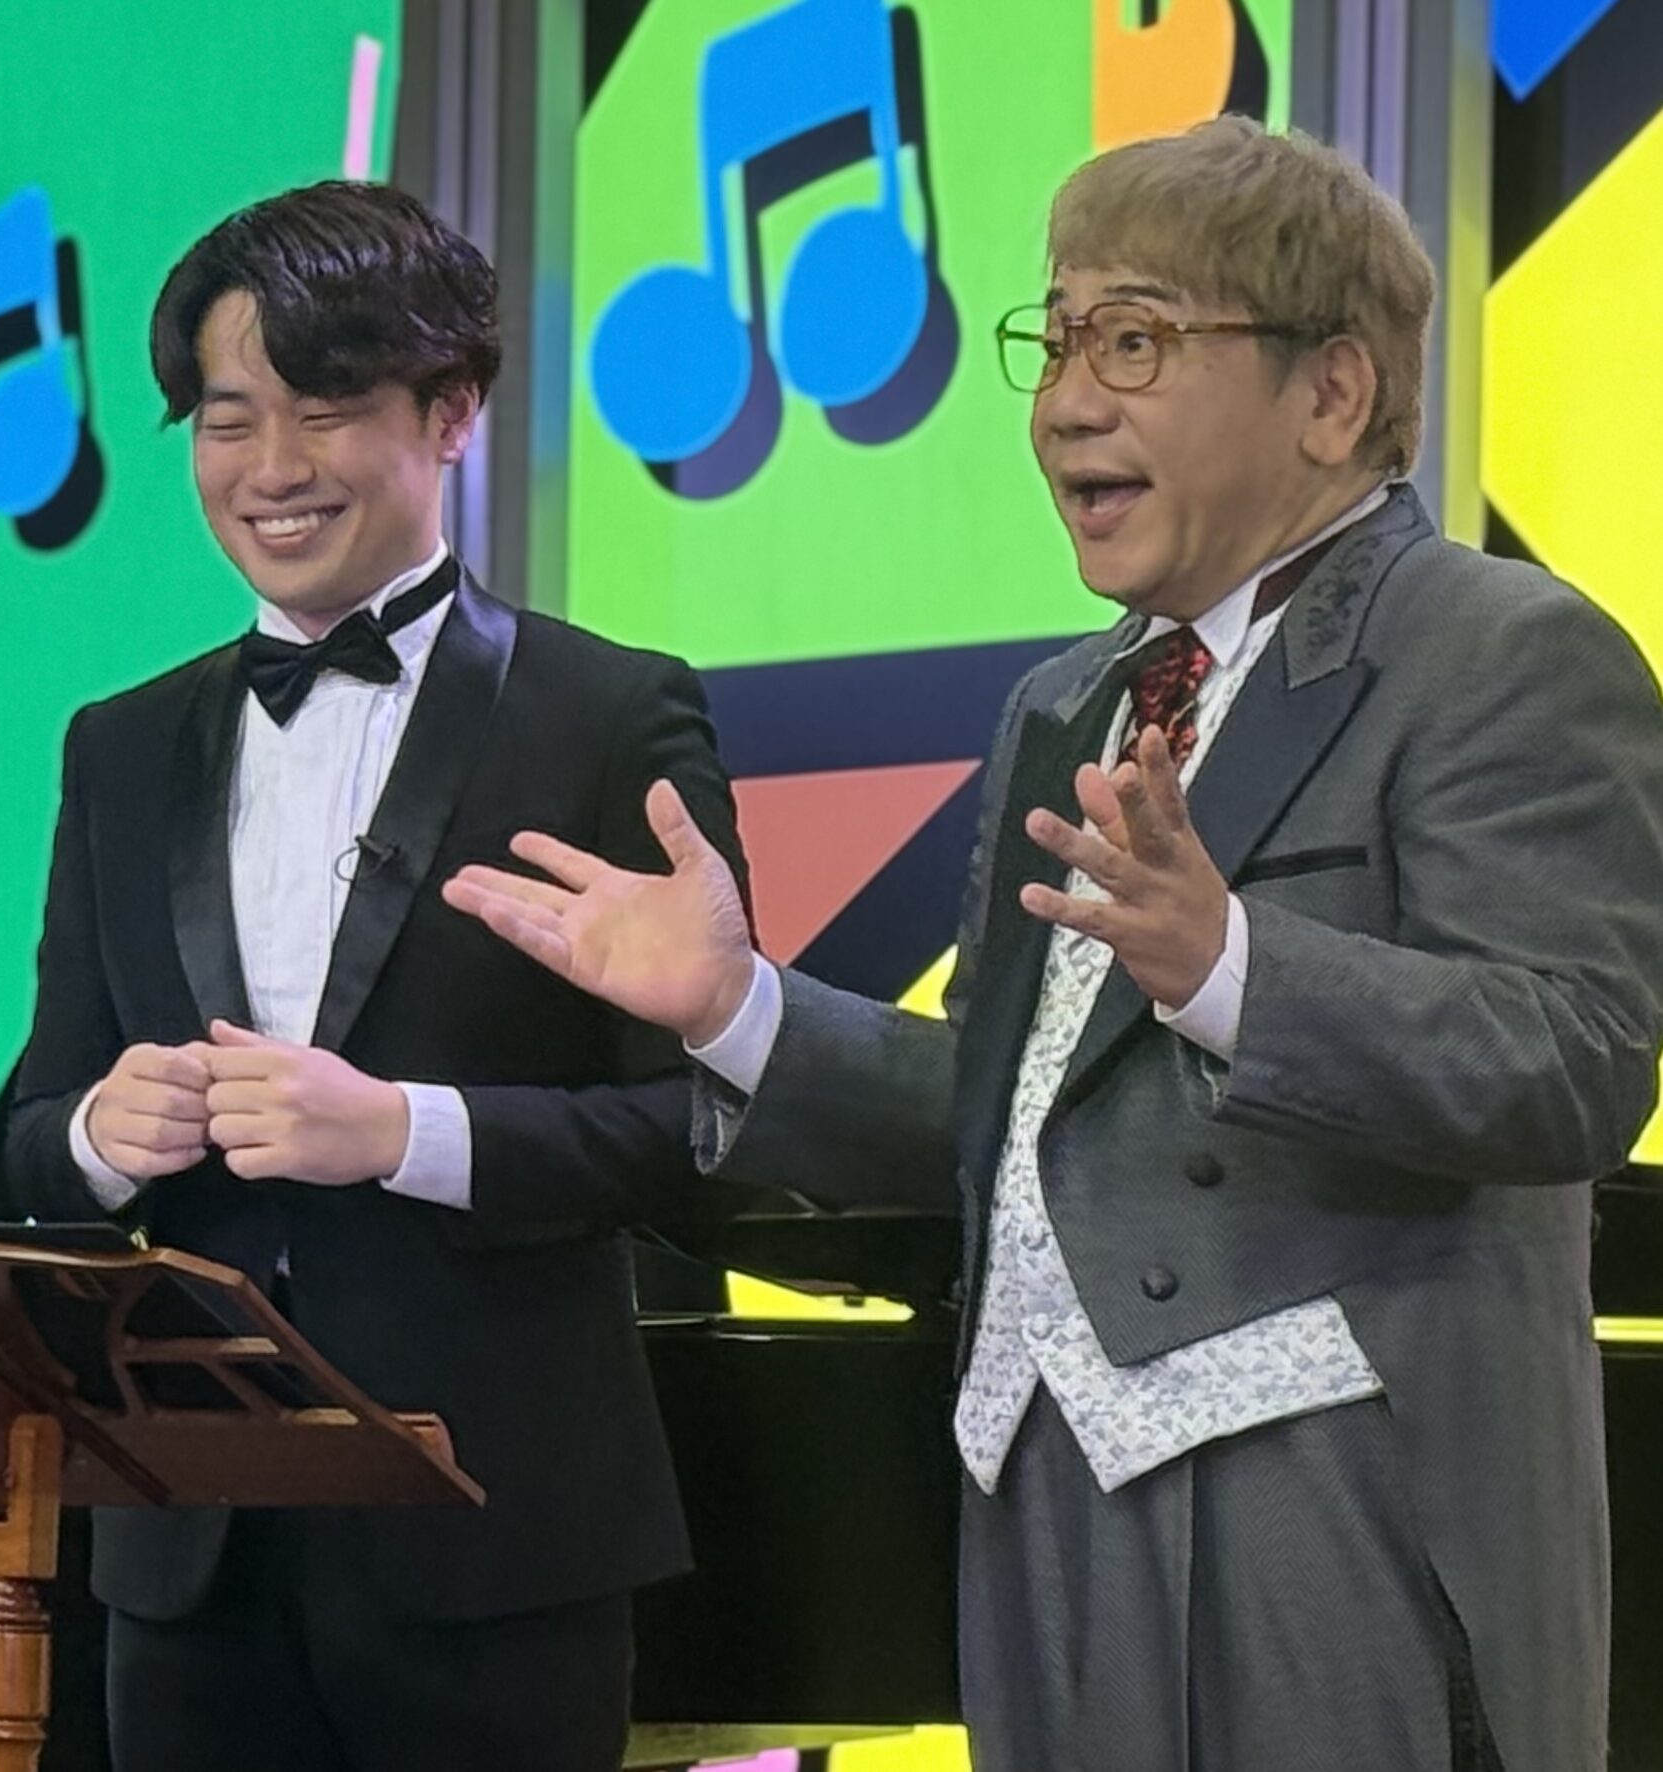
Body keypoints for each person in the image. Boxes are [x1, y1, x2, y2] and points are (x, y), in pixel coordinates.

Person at [446, 117, 1663, 1771]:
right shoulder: (1062, 703)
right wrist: (740, 1009)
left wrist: (1231, 967)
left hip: (1338, 1523)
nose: (1065, 403)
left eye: (1135, 342)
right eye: (1058, 338)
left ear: (1330, 394)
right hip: (1043, 1516)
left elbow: (1568, 1064)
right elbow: (1013, 1120)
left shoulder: (1497, 647)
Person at [5, 179, 745, 1772]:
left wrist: (402, 1131)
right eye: (226, 420)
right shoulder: (116, 747)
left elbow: (700, 1136)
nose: (269, 469)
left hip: (496, 1541)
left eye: (325, 411)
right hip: (189, 1544)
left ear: (451, 410)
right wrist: (97, 1137)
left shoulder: (608, 717)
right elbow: (32, 1131)